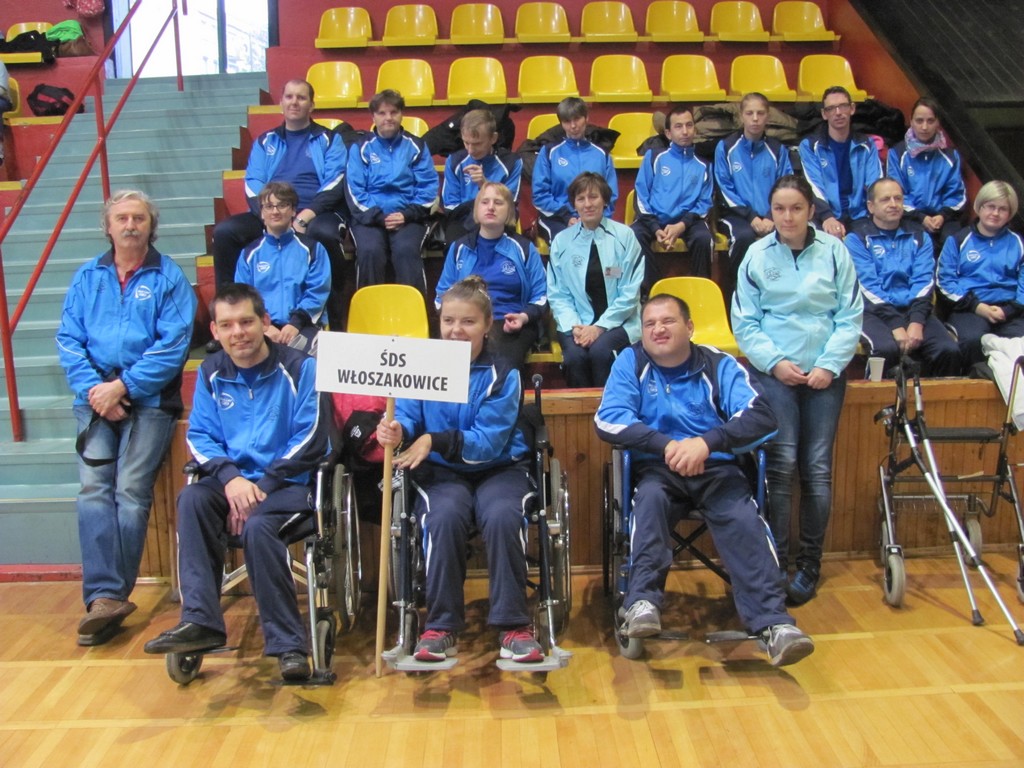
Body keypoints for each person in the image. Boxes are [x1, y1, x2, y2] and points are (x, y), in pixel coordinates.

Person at [594, 294, 814, 667]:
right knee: (649, 503)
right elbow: (609, 418)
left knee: (743, 519)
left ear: (690, 327)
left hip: (716, 468)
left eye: (668, 321)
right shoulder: (630, 362)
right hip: (657, 469)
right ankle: (642, 602)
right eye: (649, 324)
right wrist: (668, 446)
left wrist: (706, 444)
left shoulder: (720, 364)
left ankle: (774, 625)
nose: (658, 329)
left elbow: (761, 416)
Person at [144, 284, 329, 682]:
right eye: (227, 325)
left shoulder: (302, 368)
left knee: (260, 527)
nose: (238, 332)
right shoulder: (211, 371)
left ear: (265, 322)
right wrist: (231, 481)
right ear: (214, 330)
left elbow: (313, 435)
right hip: (236, 483)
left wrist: (262, 486)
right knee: (193, 499)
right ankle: (201, 622)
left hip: (289, 484)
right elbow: (200, 435)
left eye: (246, 322)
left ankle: (289, 646)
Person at [375, 276, 544, 664]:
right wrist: (399, 430)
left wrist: (433, 440)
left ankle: (514, 627)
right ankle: (440, 626)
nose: (456, 330)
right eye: (449, 320)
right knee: (443, 517)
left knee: (503, 515)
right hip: (442, 473)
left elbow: (488, 442)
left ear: (487, 325)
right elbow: (407, 415)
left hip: (499, 468)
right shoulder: (421, 365)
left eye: (468, 322)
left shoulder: (504, 373)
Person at [56, 190, 196, 646]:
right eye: (122, 218)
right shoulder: (87, 277)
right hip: (94, 398)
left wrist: (124, 387)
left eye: (139, 218)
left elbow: (173, 346)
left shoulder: (169, 277)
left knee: (130, 491)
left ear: (150, 226)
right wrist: (97, 391)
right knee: (92, 491)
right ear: (108, 226)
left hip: (149, 401)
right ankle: (104, 597)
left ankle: (110, 597)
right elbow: (68, 339)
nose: (131, 225)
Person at [731, 175, 863, 605]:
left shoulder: (835, 252)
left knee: (817, 468)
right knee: (782, 465)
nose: (787, 217)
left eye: (796, 208)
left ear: (810, 211)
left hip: (827, 374)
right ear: (771, 211)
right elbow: (745, 322)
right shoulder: (756, 255)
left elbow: (850, 316)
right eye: (779, 209)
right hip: (776, 374)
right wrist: (774, 363)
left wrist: (828, 365)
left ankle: (809, 565)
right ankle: (776, 563)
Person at [212, 79, 347, 324]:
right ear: (281, 103)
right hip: (271, 211)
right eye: (289, 97)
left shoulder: (329, 139)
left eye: (301, 97)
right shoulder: (265, 141)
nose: (294, 102)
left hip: (315, 213)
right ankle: (228, 316)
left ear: (312, 105)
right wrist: (268, 214)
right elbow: (253, 182)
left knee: (324, 234)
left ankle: (335, 320)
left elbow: (335, 181)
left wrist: (305, 215)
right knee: (225, 232)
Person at [845, 178, 961, 376]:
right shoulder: (856, 239)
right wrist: (896, 324)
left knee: (948, 350)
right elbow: (867, 286)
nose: (893, 204)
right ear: (871, 206)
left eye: (898, 198)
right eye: (886, 199)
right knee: (885, 350)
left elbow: (924, 281)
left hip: (912, 308)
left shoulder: (920, 236)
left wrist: (916, 321)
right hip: (871, 311)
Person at [435, 181, 547, 369]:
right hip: (467, 322)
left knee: (502, 364)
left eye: (498, 202)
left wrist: (523, 317)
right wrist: (456, 321)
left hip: (510, 323)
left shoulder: (525, 248)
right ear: (476, 210)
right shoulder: (459, 248)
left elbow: (541, 295)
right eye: (485, 202)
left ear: (509, 211)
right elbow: (442, 295)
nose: (491, 207)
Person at [547, 172, 644, 388]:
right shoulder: (562, 242)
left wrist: (599, 327)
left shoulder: (625, 236)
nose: (587, 204)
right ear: (574, 204)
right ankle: (581, 410)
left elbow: (630, 293)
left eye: (593, 197)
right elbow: (558, 294)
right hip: (576, 323)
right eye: (581, 199)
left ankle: (609, 407)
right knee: (575, 357)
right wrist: (575, 326)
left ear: (605, 200)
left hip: (620, 321)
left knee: (601, 352)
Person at [346, 89, 439, 293]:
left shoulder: (416, 146)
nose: (388, 118)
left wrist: (406, 215)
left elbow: (428, 187)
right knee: (370, 251)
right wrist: (379, 217)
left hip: (408, 218)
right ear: (373, 117)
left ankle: (413, 312)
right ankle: (368, 312)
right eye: (382, 113)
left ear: (401, 114)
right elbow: (355, 190)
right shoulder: (360, 148)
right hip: (369, 218)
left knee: (406, 250)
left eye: (393, 112)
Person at [234, 181, 330, 354]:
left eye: (282, 205)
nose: (275, 211)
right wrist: (264, 325)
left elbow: (317, 292)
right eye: (269, 206)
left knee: (302, 357)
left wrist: (295, 324)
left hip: (304, 325)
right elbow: (243, 296)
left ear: (293, 210)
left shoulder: (313, 249)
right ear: (262, 212)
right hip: (261, 327)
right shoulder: (249, 254)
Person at [937, 180, 1024, 368]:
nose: (995, 213)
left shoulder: (1019, 243)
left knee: (1020, 342)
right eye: (990, 206)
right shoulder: (957, 240)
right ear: (979, 207)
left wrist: (1010, 310)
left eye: (1002, 209)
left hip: (1010, 311)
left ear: (1010, 213)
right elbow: (945, 282)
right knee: (973, 340)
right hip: (970, 309)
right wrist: (977, 306)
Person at [714, 93, 794, 280]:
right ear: (741, 115)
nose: (755, 118)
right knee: (743, 236)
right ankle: (736, 290)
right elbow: (723, 186)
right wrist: (751, 217)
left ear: (768, 116)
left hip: (772, 216)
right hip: (736, 216)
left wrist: (771, 216)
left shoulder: (777, 149)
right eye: (750, 113)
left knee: (790, 234)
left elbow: (786, 186)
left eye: (760, 113)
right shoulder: (726, 147)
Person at [632, 103, 715, 282]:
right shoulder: (654, 157)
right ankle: (652, 289)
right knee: (634, 236)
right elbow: (641, 195)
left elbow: (705, 203)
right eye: (678, 126)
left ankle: (700, 290)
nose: (685, 131)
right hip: (654, 219)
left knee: (704, 238)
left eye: (689, 125)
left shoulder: (704, 165)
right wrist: (655, 228)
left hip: (688, 222)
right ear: (668, 133)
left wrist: (682, 225)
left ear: (694, 129)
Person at [798, 85, 883, 238]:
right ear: (824, 114)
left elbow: (876, 185)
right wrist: (827, 216)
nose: (838, 113)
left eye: (843, 106)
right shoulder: (810, 146)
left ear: (852, 109)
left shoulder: (867, 145)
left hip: (860, 215)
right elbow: (813, 186)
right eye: (831, 108)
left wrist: (874, 213)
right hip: (824, 215)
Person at [532, 96, 618, 244]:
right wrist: (567, 217)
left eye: (577, 119)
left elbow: (610, 194)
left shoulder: (602, 154)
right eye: (567, 121)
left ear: (586, 118)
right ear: (561, 123)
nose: (573, 126)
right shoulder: (549, 152)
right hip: (557, 218)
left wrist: (595, 219)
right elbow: (539, 195)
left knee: (612, 244)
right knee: (568, 243)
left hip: (595, 217)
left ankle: (607, 262)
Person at [886, 97, 966, 249]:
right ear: (911, 121)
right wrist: (921, 217)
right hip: (909, 217)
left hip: (944, 218)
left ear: (938, 123)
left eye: (930, 121)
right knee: (921, 243)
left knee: (953, 243)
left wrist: (942, 216)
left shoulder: (950, 156)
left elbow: (957, 194)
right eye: (919, 121)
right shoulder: (897, 153)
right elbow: (895, 194)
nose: (924, 127)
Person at [440, 109, 523, 246]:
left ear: (493, 138)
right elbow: (450, 206)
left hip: (497, 220)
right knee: (456, 244)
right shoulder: (455, 161)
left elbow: (509, 204)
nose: (470, 150)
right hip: (462, 221)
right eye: (466, 143)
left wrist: (485, 185)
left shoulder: (511, 162)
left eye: (477, 144)